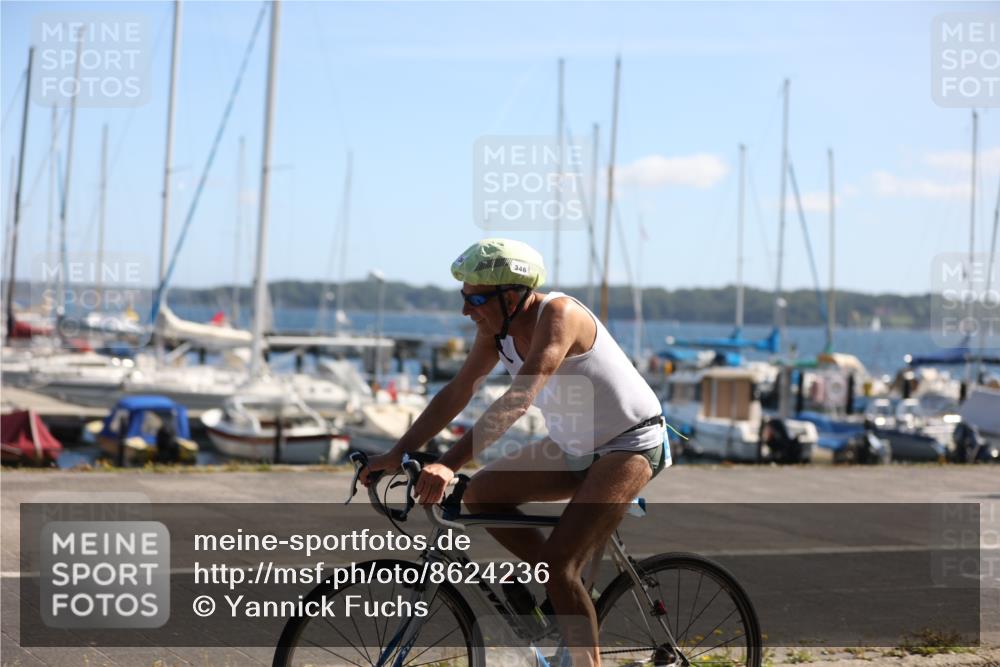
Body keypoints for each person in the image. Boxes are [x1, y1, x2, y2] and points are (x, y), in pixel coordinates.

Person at [363, 238, 669, 666]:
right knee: (481, 494)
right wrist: (398, 452)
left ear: (511, 296)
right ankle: (571, 595)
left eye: (474, 299)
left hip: (629, 444)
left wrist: (449, 464)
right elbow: (456, 392)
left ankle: (567, 595)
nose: (465, 311)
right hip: (574, 447)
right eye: (463, 297)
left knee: (560, 567)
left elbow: (519, 399)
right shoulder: (496, 328)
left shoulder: (560, 315)